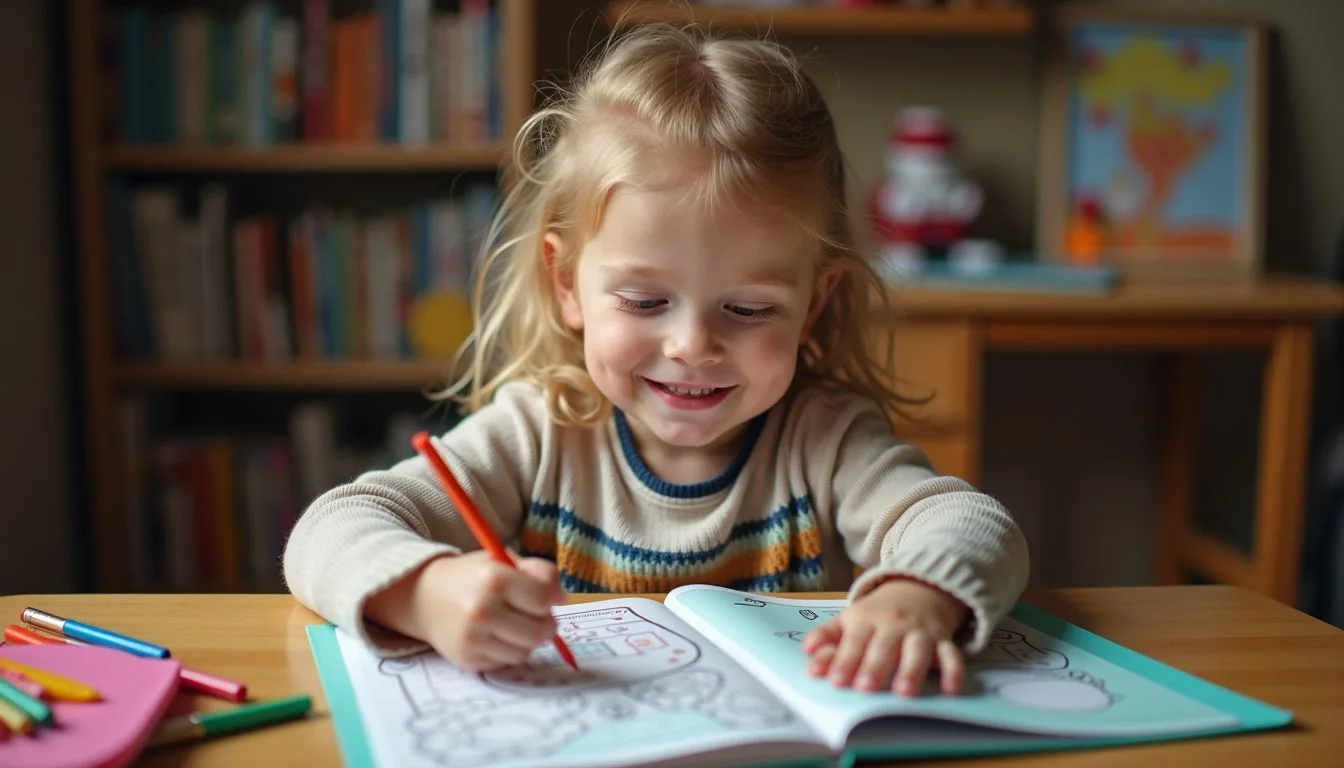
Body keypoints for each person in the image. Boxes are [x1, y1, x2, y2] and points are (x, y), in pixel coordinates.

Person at [283, 22, 1029, 698]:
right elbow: (332, 527)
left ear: (816, 302)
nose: (692, 346)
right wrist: (430, 594)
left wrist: (915, 599)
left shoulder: (824, 439)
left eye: (747, 309)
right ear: (567, 283)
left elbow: (967, 522)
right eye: (644, 303)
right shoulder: (539, 433)